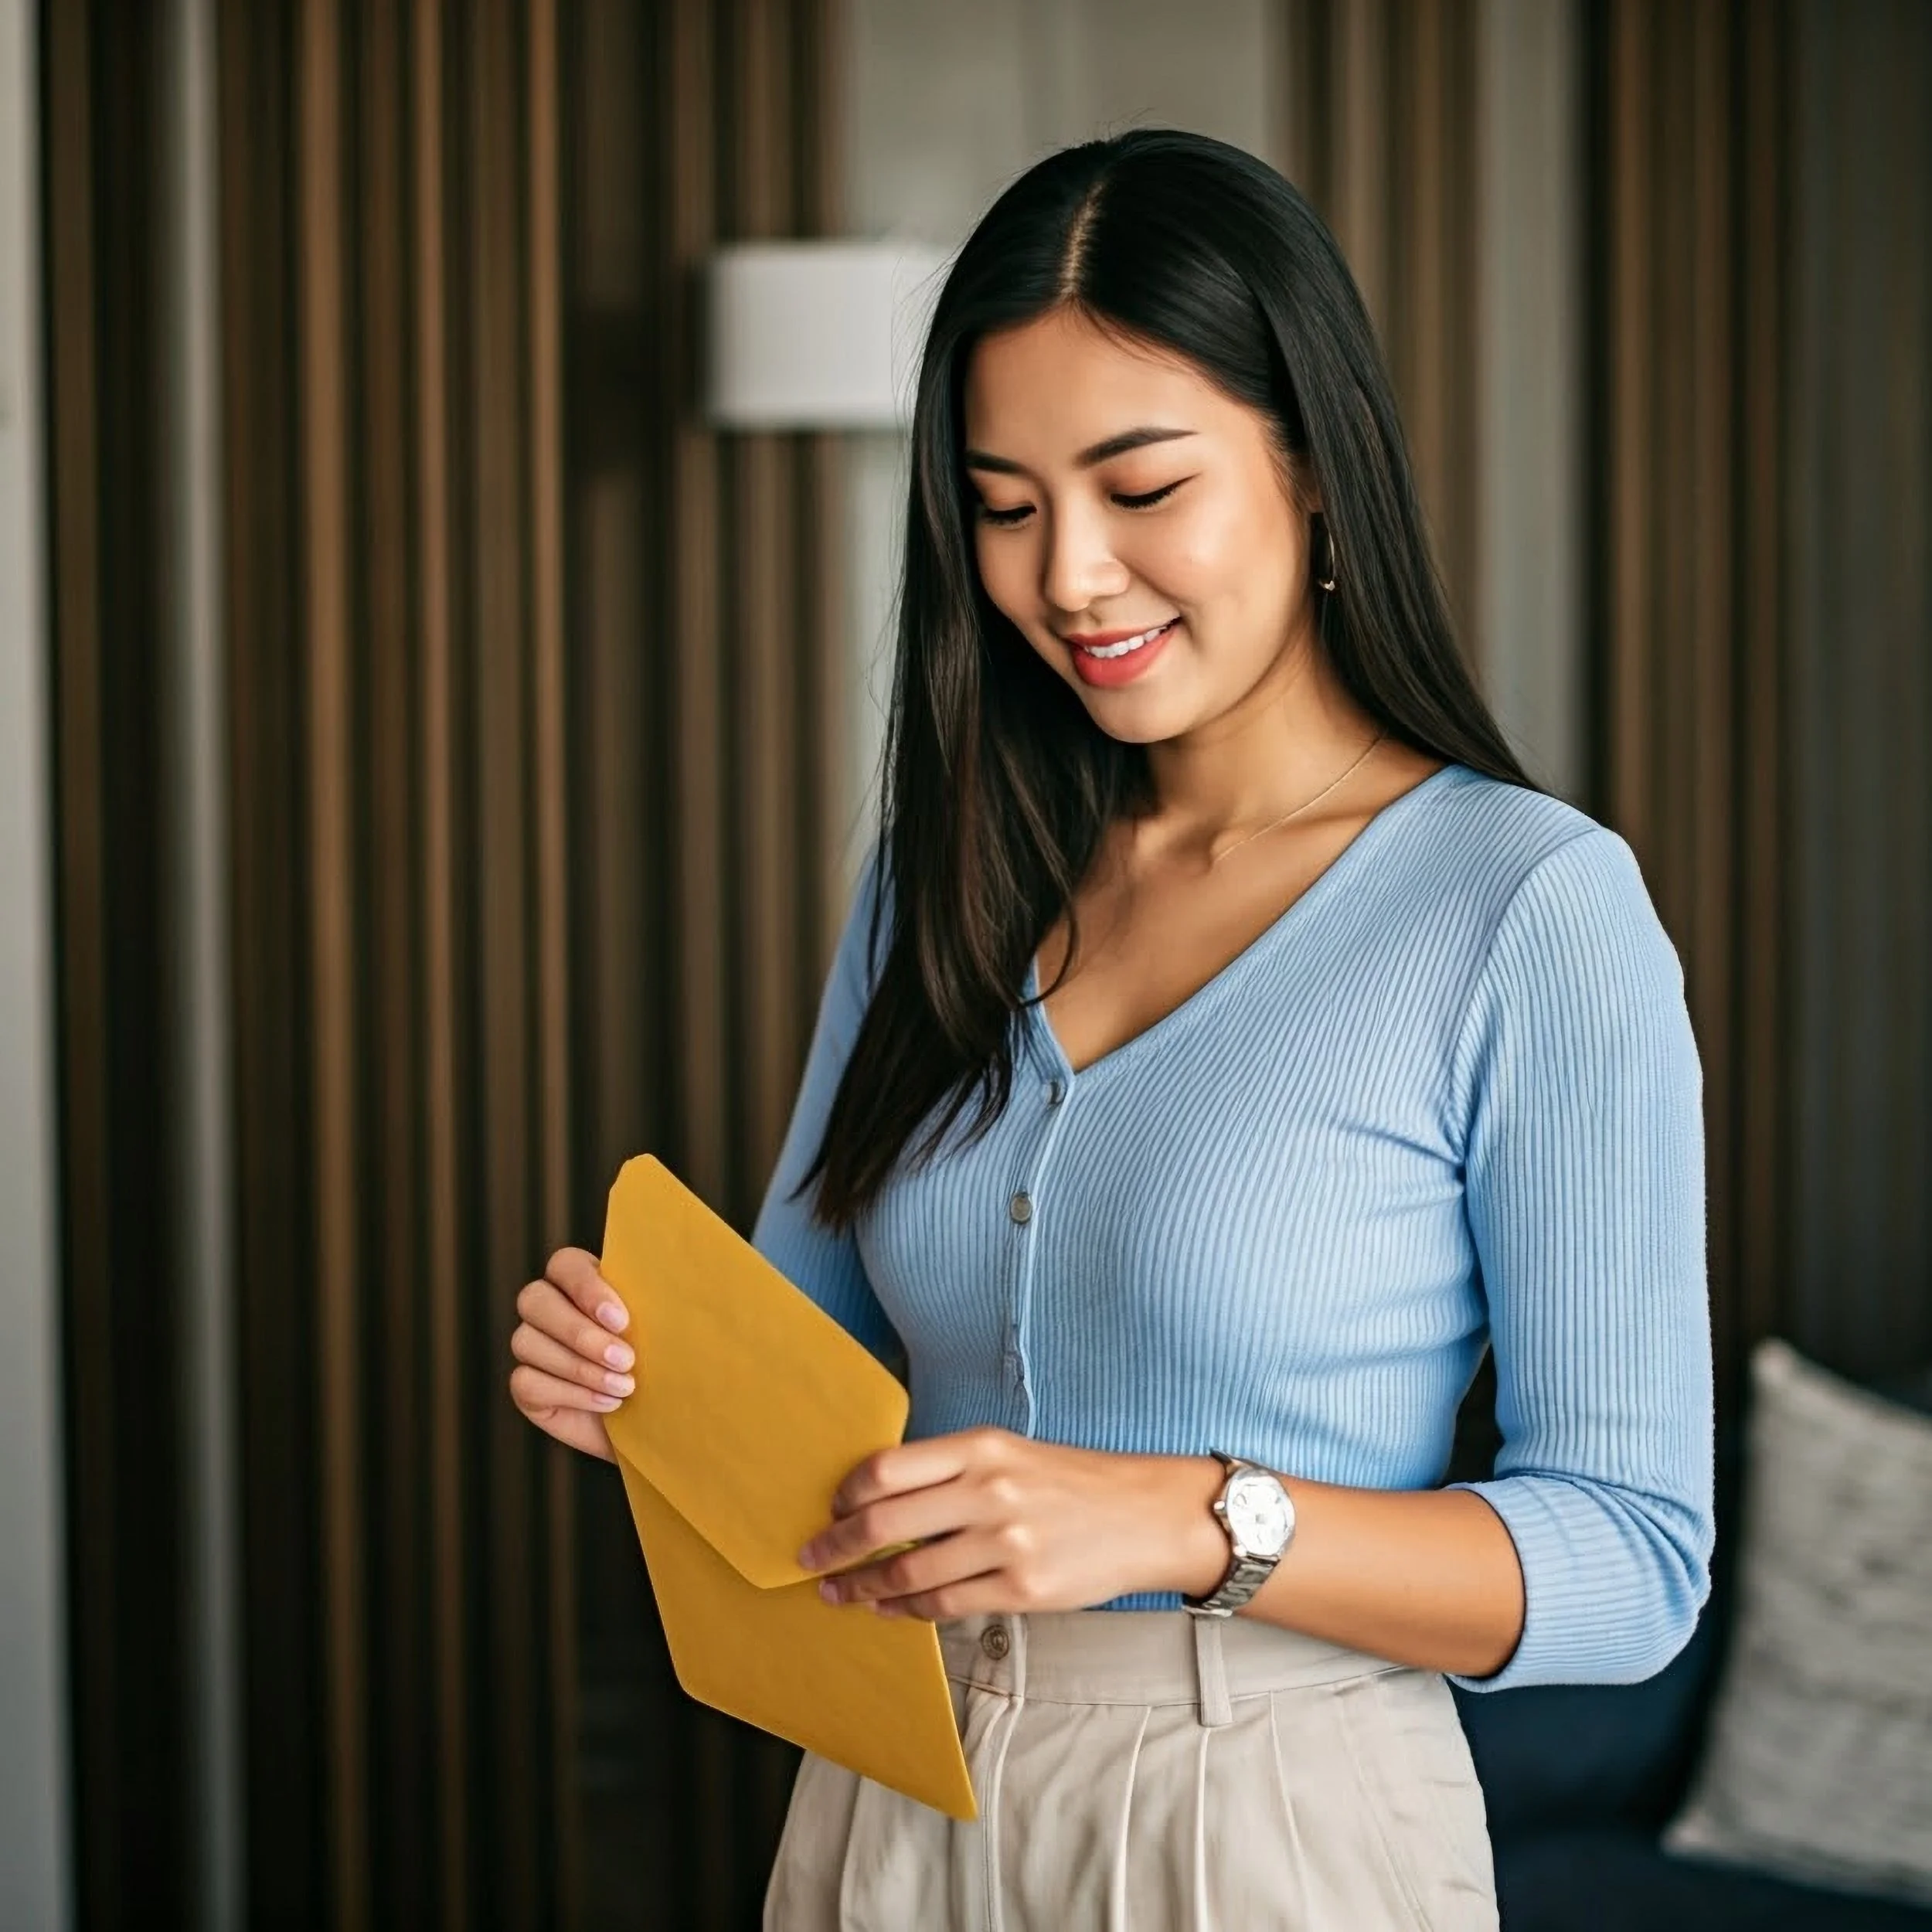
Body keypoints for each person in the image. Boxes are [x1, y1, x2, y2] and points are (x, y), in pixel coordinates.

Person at [509, 128, 1713, 1929]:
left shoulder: (1524, 906)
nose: (1067, 574)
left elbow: (1632, 1564)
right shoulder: (949, 871)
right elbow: (808, 1376)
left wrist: (1192, 1518)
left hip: (1274, 1820)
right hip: (887, 1802)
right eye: (1001, 504)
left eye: (1139, 484)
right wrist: (641, 1382)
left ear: (1308, 463)